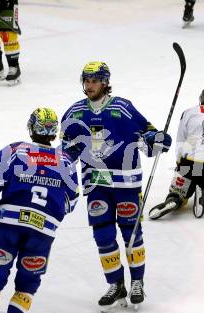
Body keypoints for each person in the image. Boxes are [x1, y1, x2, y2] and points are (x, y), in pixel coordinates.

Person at [60, 62, 172, 309]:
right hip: (96, 185)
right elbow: (67, 152)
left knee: (132, 235)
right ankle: (116, 283)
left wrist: (158, 140)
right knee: (103, 237)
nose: (89, 86)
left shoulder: (123, 108)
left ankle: (137, 283)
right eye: (86, 81)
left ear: (105, 82)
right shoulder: (74, 113)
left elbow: (149, 136)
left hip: (126, 185)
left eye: (94, 81)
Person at [0, 108, 79, 313]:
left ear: (31, 127)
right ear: (54, 131)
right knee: (26, 286)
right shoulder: (66, 161)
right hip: (42, 231)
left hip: (8, 227)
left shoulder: (15, 150)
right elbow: (70, 202)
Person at [149, 85, 204, 220]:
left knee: (179, 191)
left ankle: (175, 199)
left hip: (192, 162)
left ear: (201, 97)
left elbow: (181, 139)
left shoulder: (190, 112)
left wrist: (180, 163)